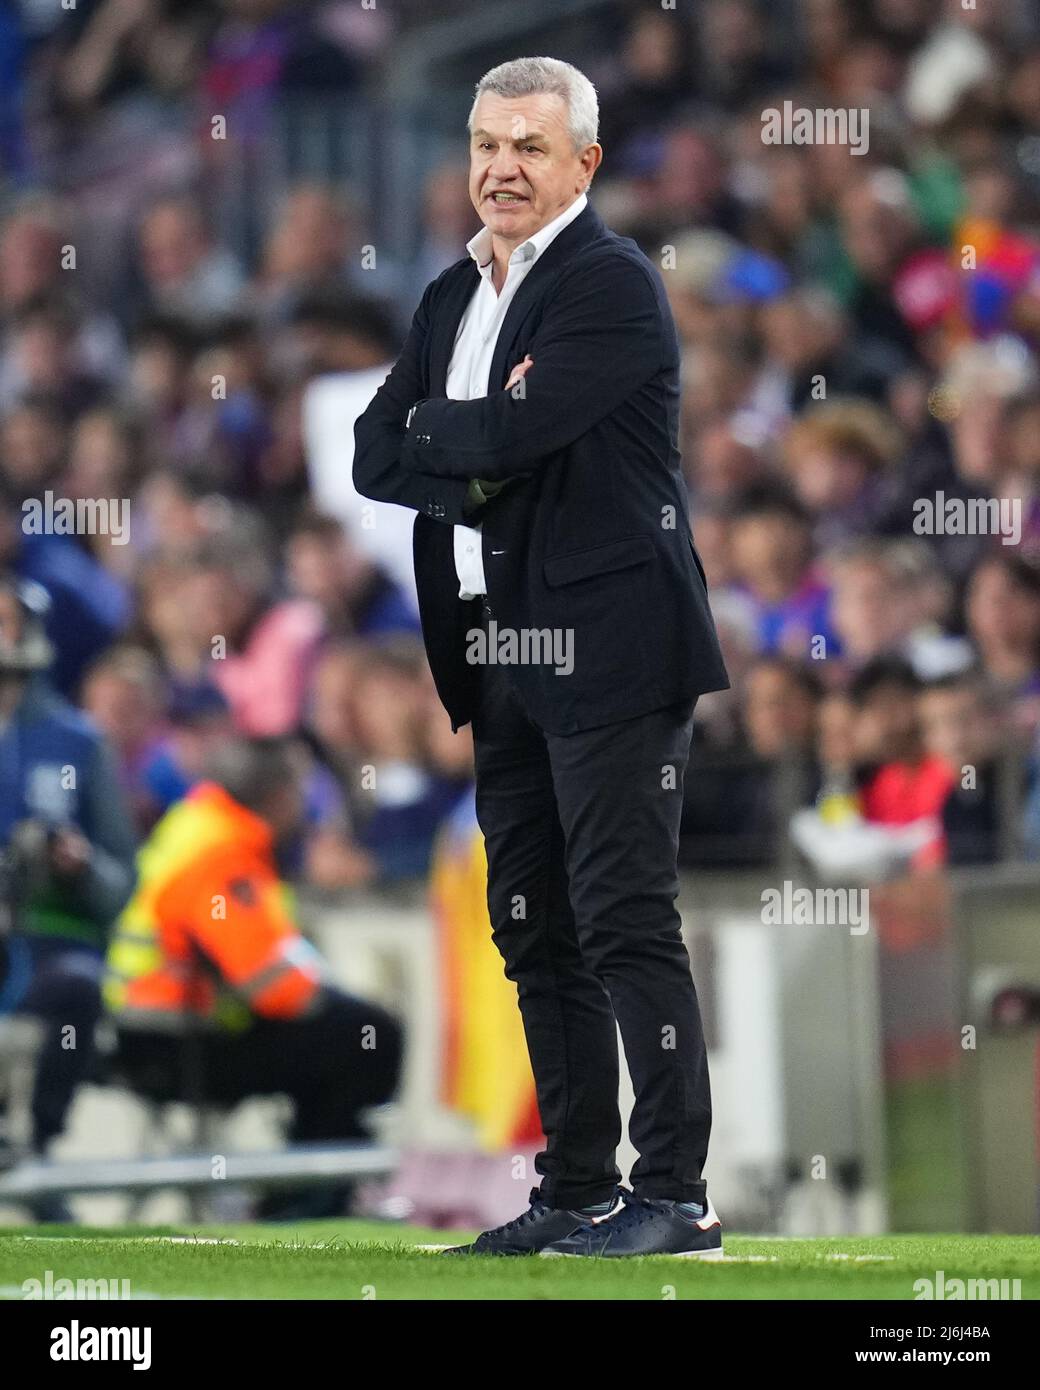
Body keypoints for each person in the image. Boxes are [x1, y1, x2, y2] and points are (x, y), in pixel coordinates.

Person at [353, 57, 729, 1257]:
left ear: (584, 162)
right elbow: (373, 452)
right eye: (484, 144)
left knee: (623, 914)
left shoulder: (610, 285)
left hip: (612, 644)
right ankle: (574, 1187)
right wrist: (467, 436)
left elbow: (517, 431)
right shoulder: (446, 299)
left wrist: (462, 434)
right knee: (530, 924)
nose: (500, 168)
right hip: (494, 647)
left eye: (528, 145)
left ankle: (673, 1193)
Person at [103, 737, 403, 1220]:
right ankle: (309, 1195)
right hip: (179, 1045)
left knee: (345, 1033)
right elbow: (272, 986)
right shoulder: (224, 851)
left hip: (152, 1033)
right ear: (279, 795)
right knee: (369, 1034)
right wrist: (328, 996)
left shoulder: (196, 825)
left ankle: (307, 1187)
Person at [0, 573, 137, 1219]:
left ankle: (37, 1149)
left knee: (79, 987)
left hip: (48, 942)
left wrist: (79, 866)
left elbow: (120, 883)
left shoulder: (78, 743)